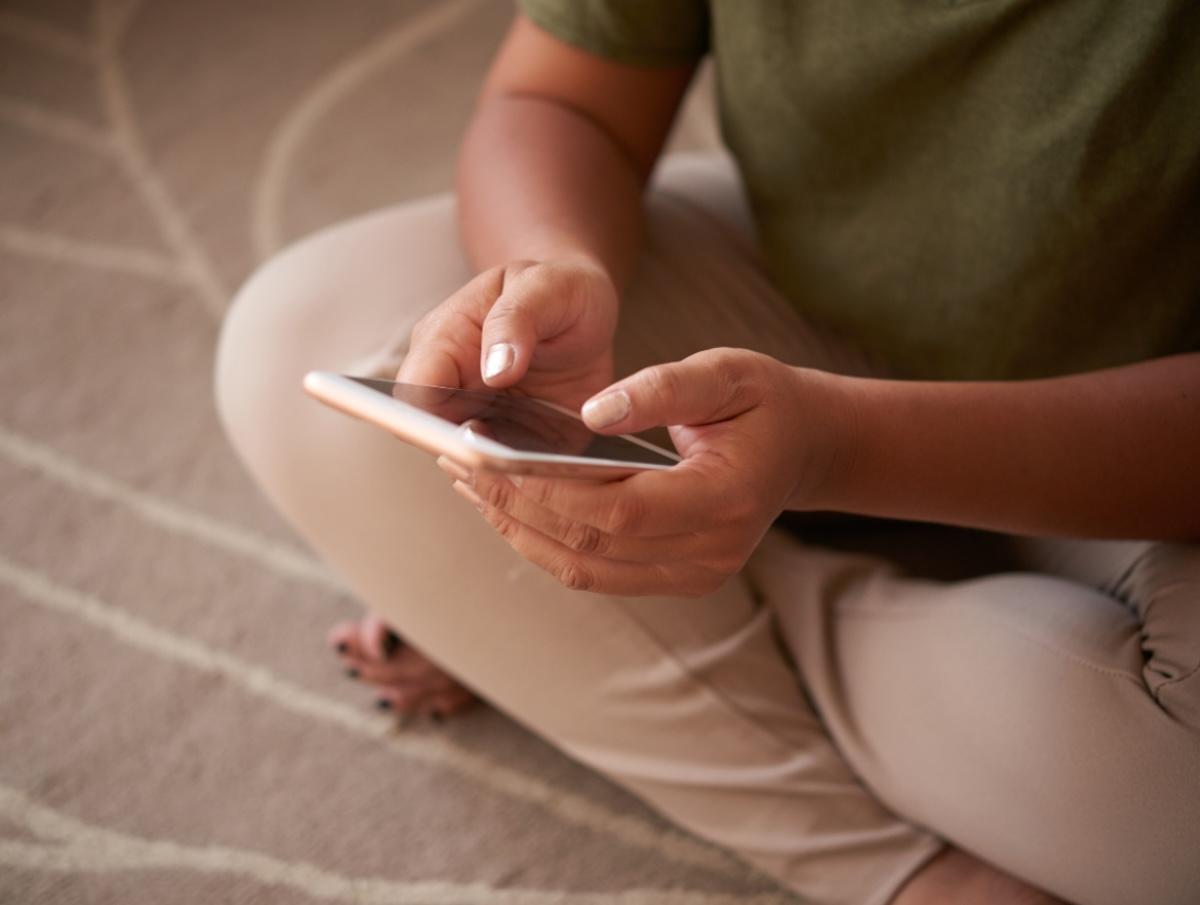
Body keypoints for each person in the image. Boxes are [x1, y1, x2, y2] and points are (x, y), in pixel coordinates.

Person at [215, 3, 1200, 904]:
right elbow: (560, 97)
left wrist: (830, 448)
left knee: (1175, 814)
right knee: (293, 337)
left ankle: (692, 579)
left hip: (1136, 418)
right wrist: (557, 258)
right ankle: (901, 872)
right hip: (809, 291)